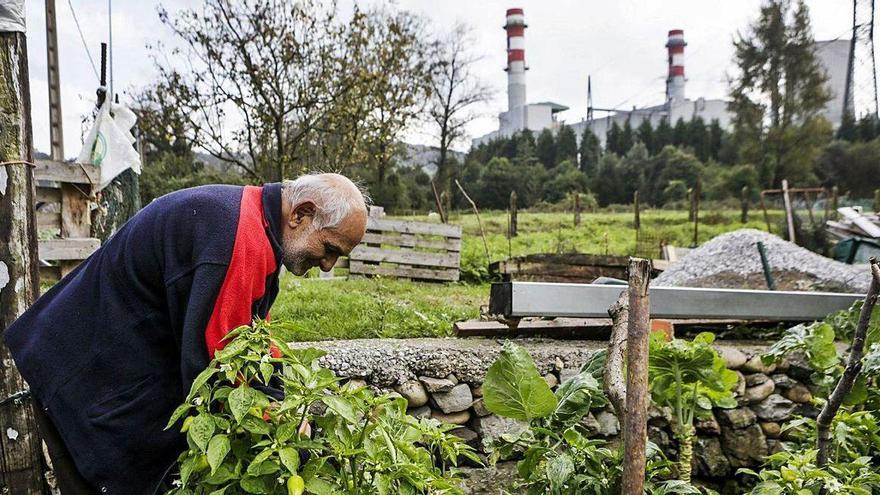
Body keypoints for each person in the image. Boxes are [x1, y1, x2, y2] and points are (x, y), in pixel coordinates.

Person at [4, 174, 369, 494]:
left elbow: (253, 338)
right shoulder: (236, 241)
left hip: (100, 362)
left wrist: (283, 402)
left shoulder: (256, 224)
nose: (327, 265)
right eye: (330, 248)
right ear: (300, 214)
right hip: (80, 375)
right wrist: (280, 427)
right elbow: (215, 368)